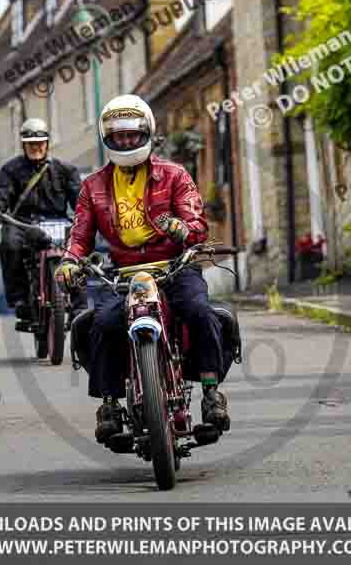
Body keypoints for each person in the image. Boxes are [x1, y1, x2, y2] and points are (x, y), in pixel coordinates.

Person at [55, 94, 230, 444]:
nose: (126, 141)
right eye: (118, 136)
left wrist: (183, 230)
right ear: (109, 139)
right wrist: (70, 261)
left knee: (199, 310)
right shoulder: (93, 186)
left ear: (146, 133)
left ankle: (211, 392)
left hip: (174, 267)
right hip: (122, 273)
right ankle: (108, 403)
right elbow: (80, 235)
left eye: (132, 134)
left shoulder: (175, 175)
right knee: (101, 322)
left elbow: (196, 224)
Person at [0, 118, 81, 320]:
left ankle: (79, 304)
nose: (36, 147)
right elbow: (2, 193)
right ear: (23, 145)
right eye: (30, 144)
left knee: (80, 249)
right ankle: (20, 299)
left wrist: (87, 215)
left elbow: (79, 199)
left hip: (58, 222)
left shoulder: (65, 170)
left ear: (47, 144)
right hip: (22, 223)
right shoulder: (10, 170)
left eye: (39, 143)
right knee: (9, 245)